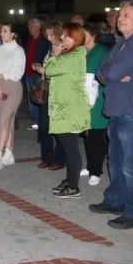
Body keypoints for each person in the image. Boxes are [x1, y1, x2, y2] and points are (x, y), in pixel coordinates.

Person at [90, 0, 133, 229]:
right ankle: (116, 201)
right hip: (117, 111)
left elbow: (111, 71)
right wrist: (112, 72)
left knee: (132, 165)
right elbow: (101, 71)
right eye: (120, 15)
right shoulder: (121, 43)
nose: (120, 19)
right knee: (116, 161)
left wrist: (111, 72)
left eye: (126, 15)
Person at [38, 23, 89, 198]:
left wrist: (55, 55)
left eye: (66, 35)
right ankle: (69, 180)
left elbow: (49, 71)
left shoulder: (75, 56)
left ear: (75, 38)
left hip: (70, 108)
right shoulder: (70, 54)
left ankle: (73, 186)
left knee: (71, 149)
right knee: (68, 148)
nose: (62, 38)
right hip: (63, 107)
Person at [0, 23, 25, 169]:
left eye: (5, 31)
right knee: (5, 121)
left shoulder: (19, 51)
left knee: (4, 120)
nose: (2, 34)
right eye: (1, 31)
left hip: (13, 89)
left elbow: (17, 72)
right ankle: (9, 152)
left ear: (13, 34)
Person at [36, 20, 66, 171]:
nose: (48, 38)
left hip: (58, 91)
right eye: (46, 35)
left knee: (58, 127)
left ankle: (59, 159)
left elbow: (60, 69)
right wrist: (38, 67)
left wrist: (44, 70)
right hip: (46, 90)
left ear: (59, 33)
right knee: (43, 126)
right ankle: (47, 157)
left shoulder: (65, 48)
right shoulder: (50, 47)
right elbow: (46, 66)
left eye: (51, 34)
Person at [82, 23, 110, 186]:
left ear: (92, 34)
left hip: (98, 99)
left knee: (96, 135)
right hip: (84, 98)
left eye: (83, 33)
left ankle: (96, 171)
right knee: (87, 134)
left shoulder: (101, 51)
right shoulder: (83, 50)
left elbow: (106, 74)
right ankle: (90, 165)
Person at [23, 19, 51, 130]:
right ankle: (36, 122)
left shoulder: (44, 40)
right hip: (28, 73)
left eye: (31, 26)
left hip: (39, 74)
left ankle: (42, 122)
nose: (29, 28)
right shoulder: (28, 39)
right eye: (28, 26)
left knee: (41, 98)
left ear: (38, 27)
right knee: (31, 99)